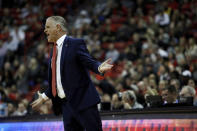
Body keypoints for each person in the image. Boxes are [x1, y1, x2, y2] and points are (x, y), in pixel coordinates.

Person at [31, 16, 113, 131]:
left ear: (58, 28)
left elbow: (88, 61)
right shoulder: (53, 51)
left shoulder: (75, 43)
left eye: (48, 27)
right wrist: (44, 97)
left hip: (84, 102)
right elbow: (57, 81)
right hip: (66, 105)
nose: (45, 30)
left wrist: (98, 67)